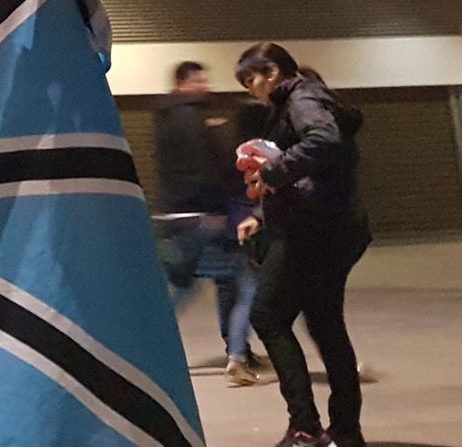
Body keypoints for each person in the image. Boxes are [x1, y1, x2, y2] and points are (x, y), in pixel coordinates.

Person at [235, 43, 371, 447]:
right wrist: (261, 211)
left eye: (251, 79)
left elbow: (323, 141)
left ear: (273, 72)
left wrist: (273, 173)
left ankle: (305, 428)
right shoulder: (300, 100)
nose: (250, 89)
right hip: (332, 229)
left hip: (315, 233)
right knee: (326, 325)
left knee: (269, 315)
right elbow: (315, 173)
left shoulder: (302, 96)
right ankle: (345, 430)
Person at [153, 60, 258, 385]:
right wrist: (220, 206)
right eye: (200, 79)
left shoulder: (163, 118)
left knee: (185, 286)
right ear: (184, 82)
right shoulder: (196, 118)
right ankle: (237, 355)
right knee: (241, 283)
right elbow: (209, 167)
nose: (206, 85)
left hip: (173, 215)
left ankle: (151, 341)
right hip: (204, 216)